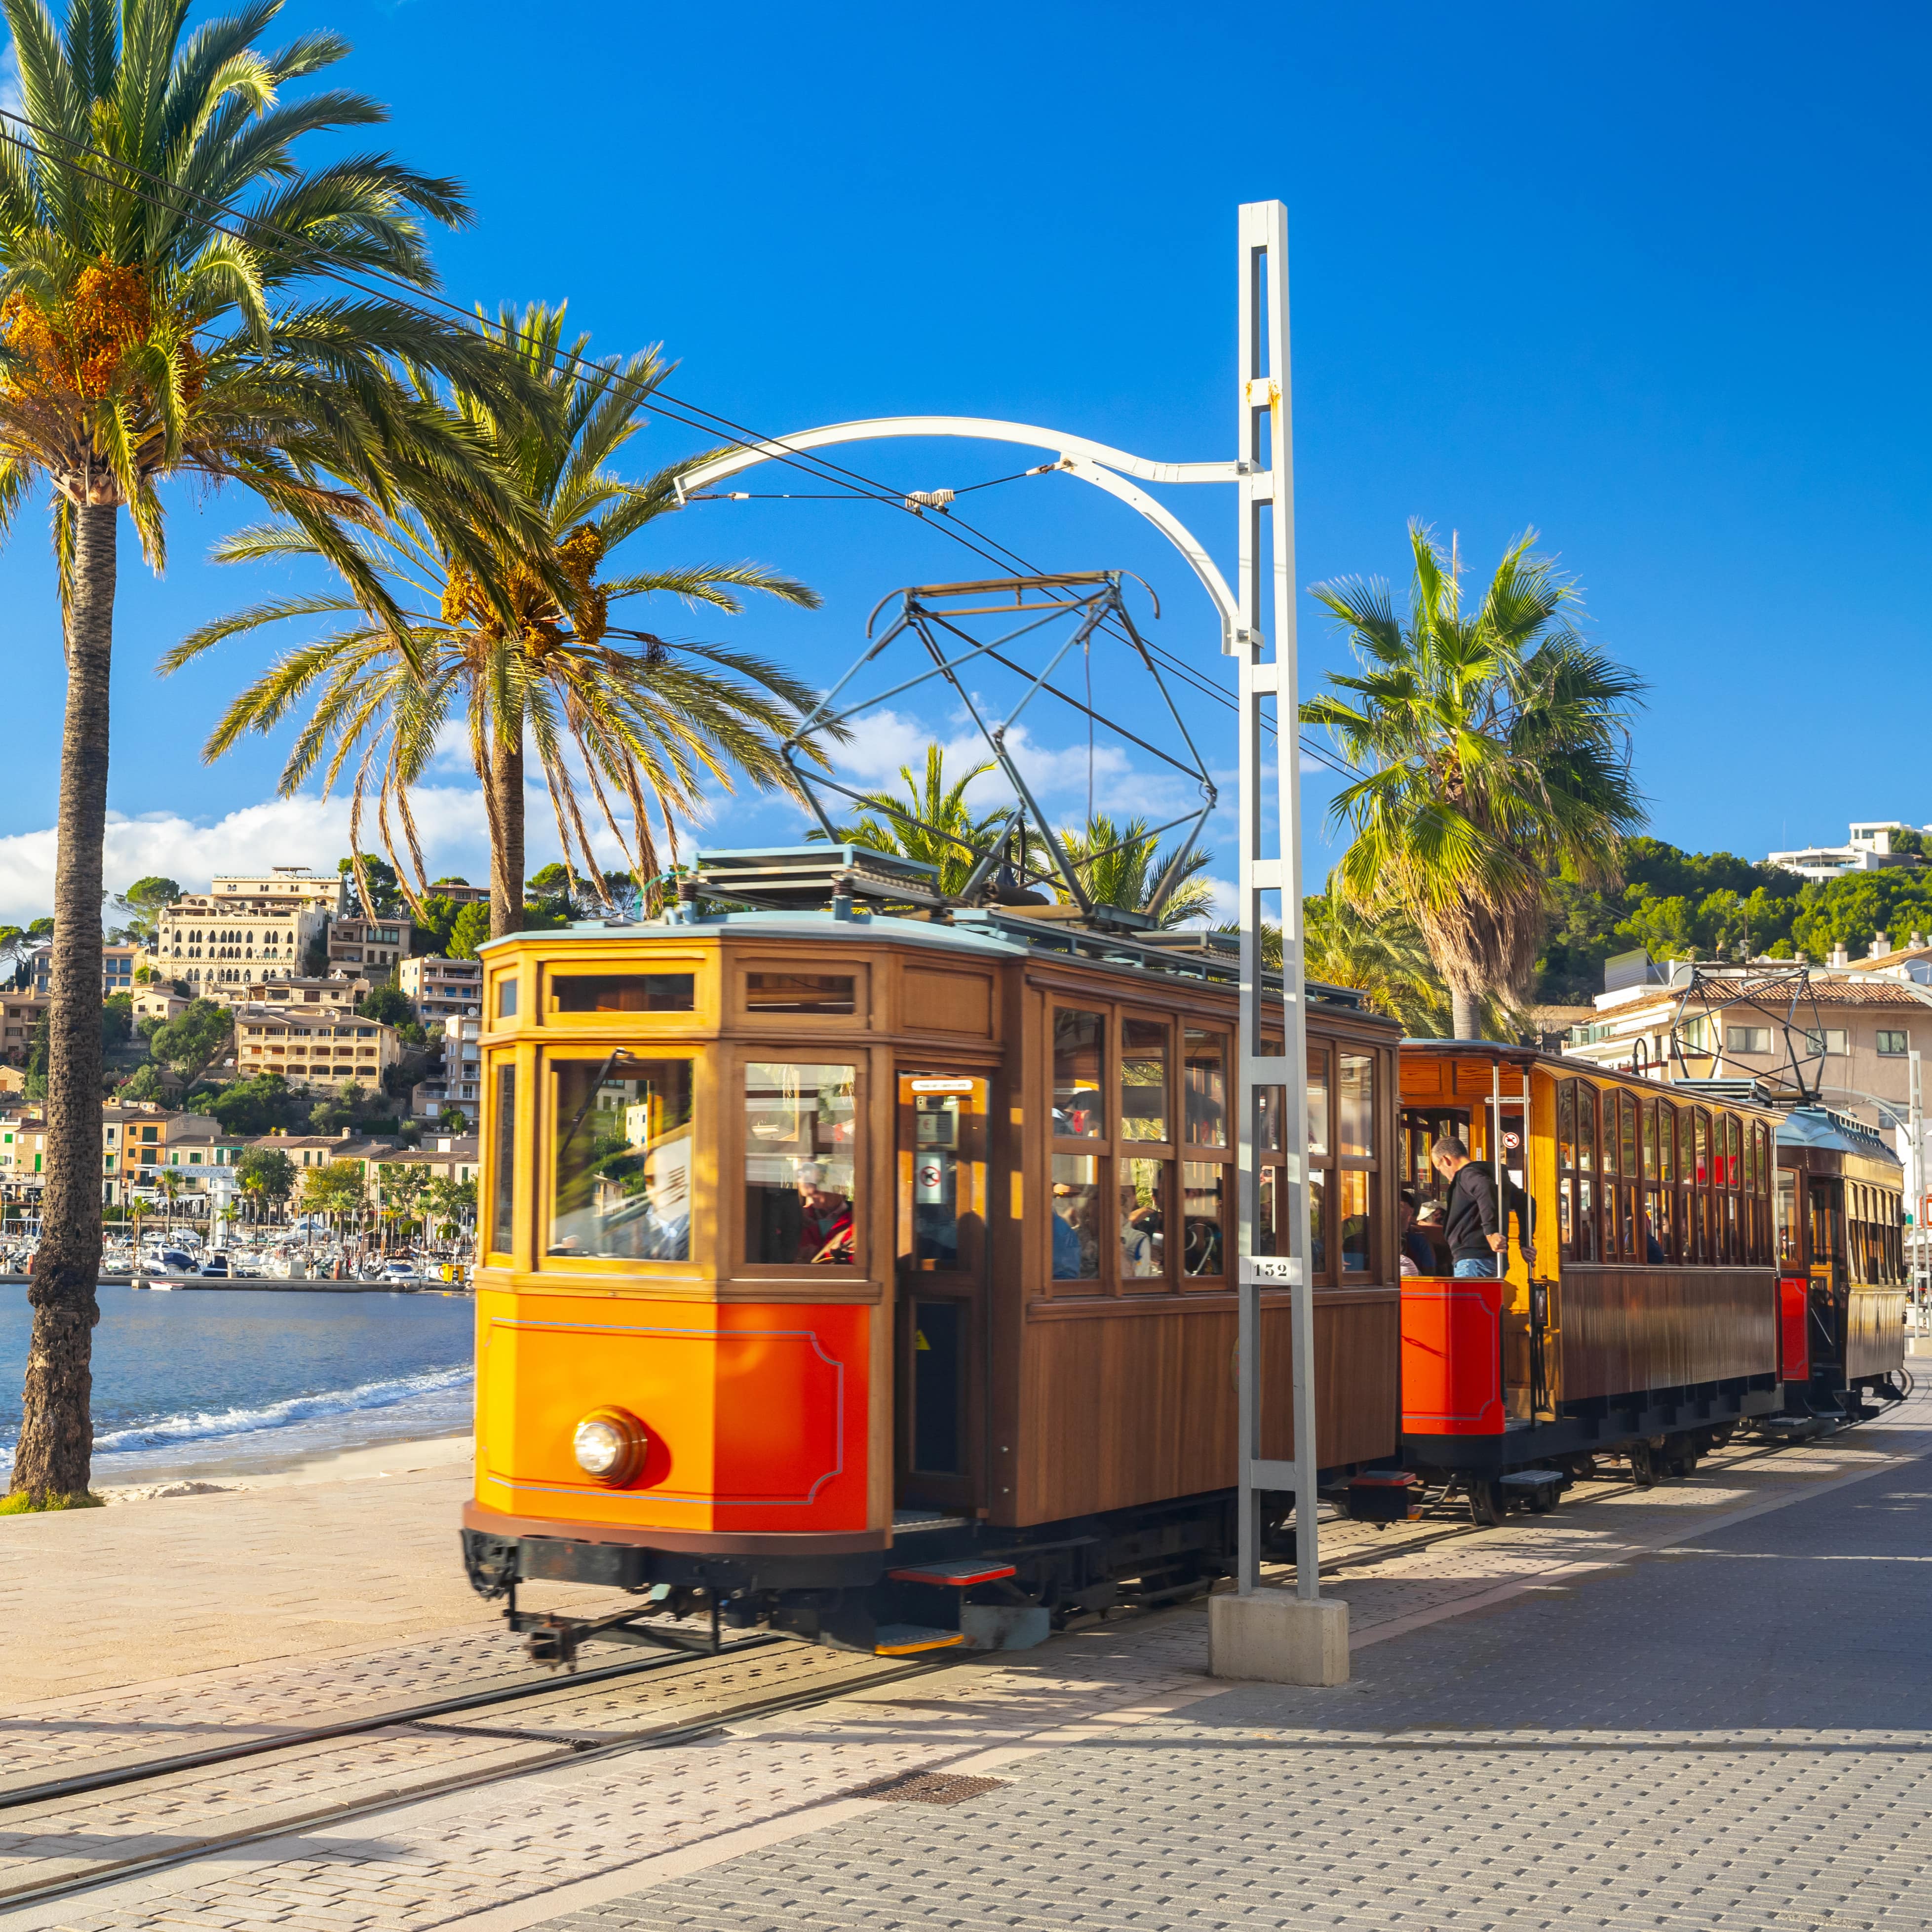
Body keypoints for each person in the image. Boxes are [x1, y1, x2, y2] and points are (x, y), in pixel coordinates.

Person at [1430, 1135, 1536, 1278]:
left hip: (1473, 1261)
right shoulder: (1495, 1178)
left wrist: (1491, 1233)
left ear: (1447, 1160)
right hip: (1493, 1261)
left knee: (1470, 1301)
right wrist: (1525, 1242)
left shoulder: (1466, 1175)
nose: (1442, 1173)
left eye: (1439, 1167)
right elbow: (1526, 1202)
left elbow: (1484, 1187)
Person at [795, 1161, 854, 1265]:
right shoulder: (800, 1218)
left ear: (839, 1187)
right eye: (809, 1195)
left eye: (817, 1191)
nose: (813, 1197)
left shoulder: (858, 1219)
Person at [1398, 1193, 1438, 1276]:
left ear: (1411, 1211)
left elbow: (1430, 1274)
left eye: (1400, 1205)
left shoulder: (1418, 1239)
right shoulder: (1380, 1236)